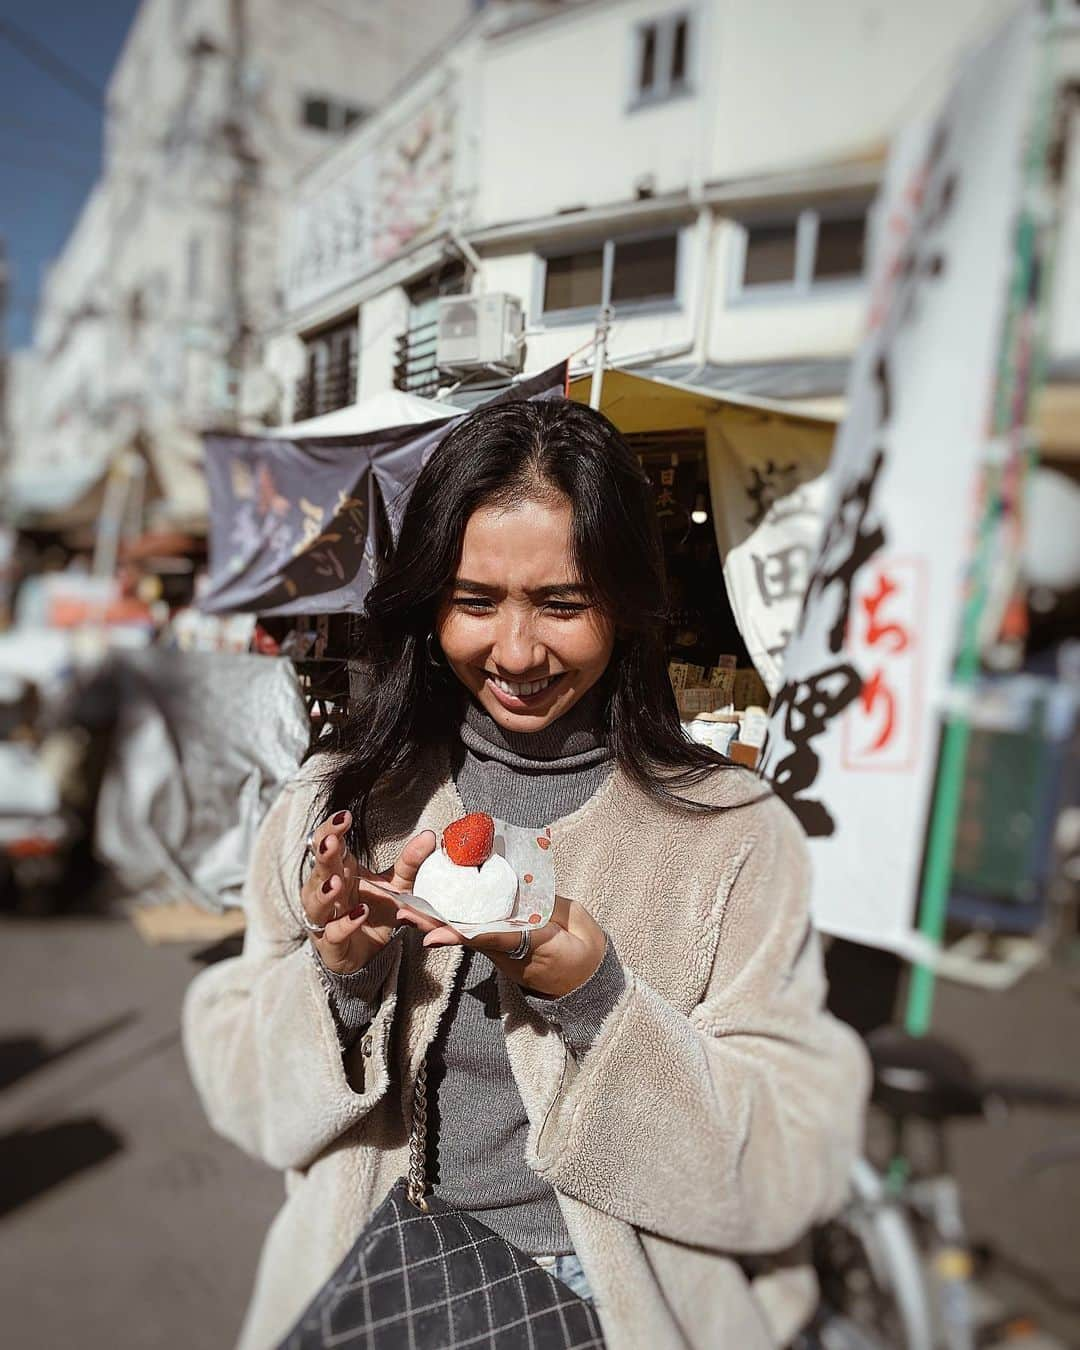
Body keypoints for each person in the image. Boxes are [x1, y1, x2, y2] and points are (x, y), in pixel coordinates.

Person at [183, 398, 869, 1350]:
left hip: (603, 1301)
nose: (515, 652)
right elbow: (239, 1079)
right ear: (428, 604)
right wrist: (338, 986)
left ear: (626, 608)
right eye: (474, 601)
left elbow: (790, 1159)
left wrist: (600, 1000)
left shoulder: (732, 835)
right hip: (365, 1276)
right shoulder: (338, 806)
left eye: (562, 603)